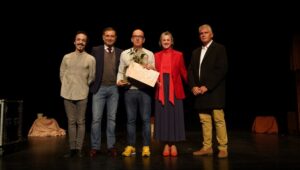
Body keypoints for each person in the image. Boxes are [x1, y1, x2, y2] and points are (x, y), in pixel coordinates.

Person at [187, 24, 229, 158]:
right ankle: (207, 147)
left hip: (214, 91)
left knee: (218, 120)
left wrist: (207, 86)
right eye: (201, 33)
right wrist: (193, 86)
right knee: (204, 120)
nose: (203, 35)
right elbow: (191, 71)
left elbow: (221, 70)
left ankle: (223, 148)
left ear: (211, 34)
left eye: (206, 32)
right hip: (200, 92)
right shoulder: (195, 52)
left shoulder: (219, 48)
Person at [117, 28, 155, 157]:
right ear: (131, 39)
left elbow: (153, 73)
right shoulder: (125, 54)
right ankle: (131, 146)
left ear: (143, 39)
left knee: (145, 120)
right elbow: (121, 71)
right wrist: (119, 81)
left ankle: (146, 146)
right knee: (130, 120)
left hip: (145, 91)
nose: (137, 38)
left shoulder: (149, 54)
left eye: (140, 36)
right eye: (135, 36)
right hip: (130, 91)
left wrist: (151, 68)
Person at [60, 31, 96, 158]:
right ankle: (72, 149)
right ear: (74, 41)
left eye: (83, 40)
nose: (81, 42)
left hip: (82, 93)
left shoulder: (90, 59)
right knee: (71, 121)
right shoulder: (67, 57)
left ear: (86, 43)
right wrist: (68, 85)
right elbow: (62, 74)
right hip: (67, 93)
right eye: (78, 40)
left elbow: (91, 77)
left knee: (80, 121)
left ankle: (79, 149)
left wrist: (83, 85)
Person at [89, 27, 123, 157]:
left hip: (114, 89)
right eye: (107, 36)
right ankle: (95, 147)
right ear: (103, 37)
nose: (109, 38)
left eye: (112, 36)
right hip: (99, 88)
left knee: (112, 119)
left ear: (115, 38)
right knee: (96, 119)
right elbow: (91, 68)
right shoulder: (96, 50)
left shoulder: (120, 52)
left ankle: (111, 146)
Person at [154, 31, 187, 157]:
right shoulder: (156, 55)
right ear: (160, 42)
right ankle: (166, 144)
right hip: (161, 88)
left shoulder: (179, 55)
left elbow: (183, 72)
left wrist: (194, 85)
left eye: (168, 40)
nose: (166, 42)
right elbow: (154, 72)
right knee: (163, 116)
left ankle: (173, 144)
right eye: (164, 40)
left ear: (171, 41)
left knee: (174, 116)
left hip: (175, 89)